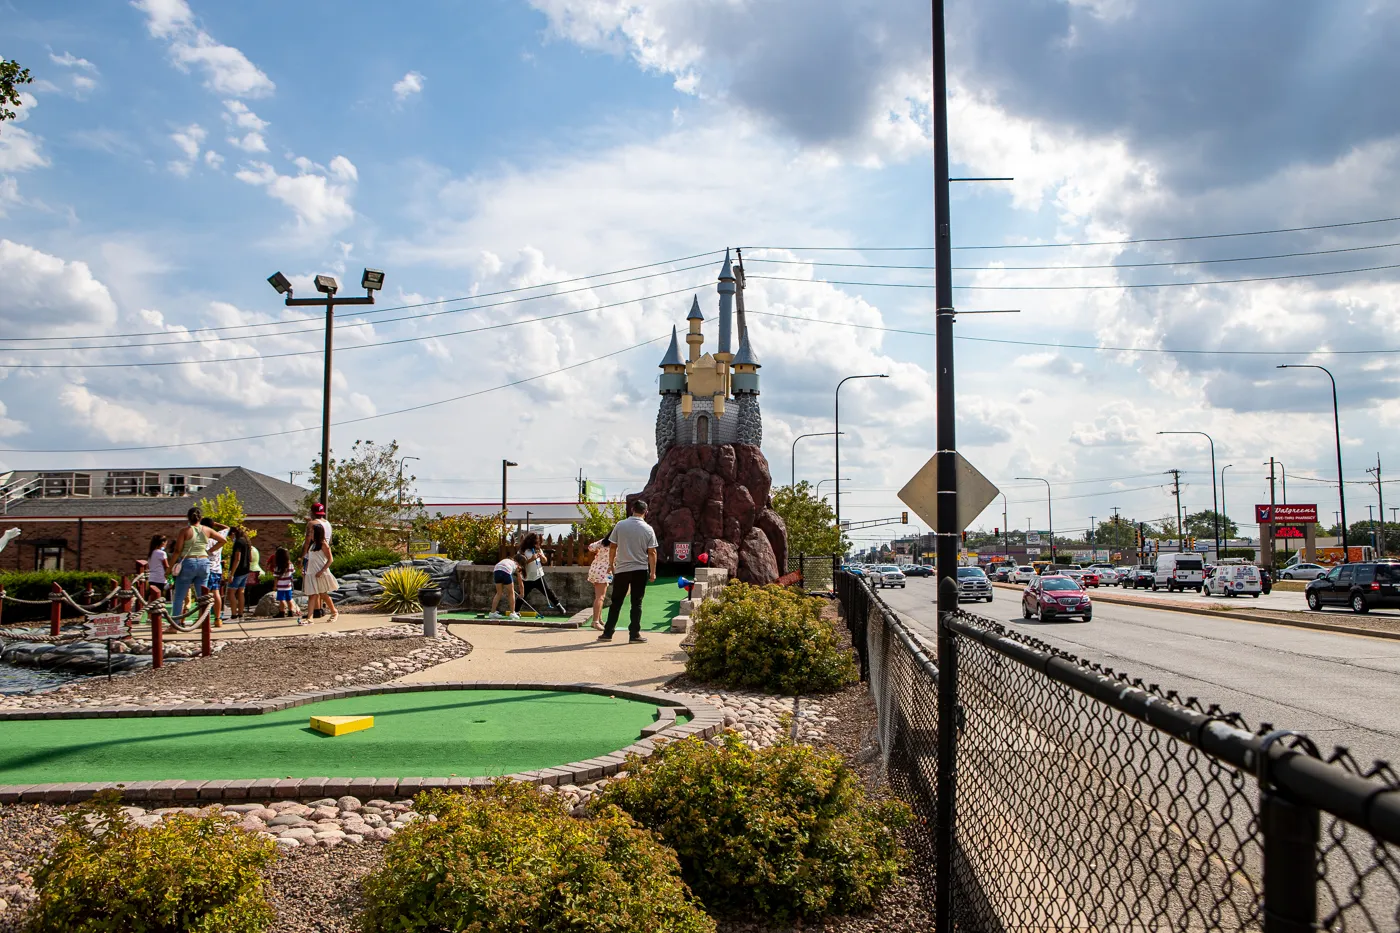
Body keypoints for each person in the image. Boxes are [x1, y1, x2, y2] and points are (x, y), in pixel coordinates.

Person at [600, 499, 657, 644]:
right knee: (636, 603)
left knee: (616, 602)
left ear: (632, 509)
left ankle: (607, 633)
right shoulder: (648, 529)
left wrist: (611, 564)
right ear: (646, 512)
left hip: (622, 569)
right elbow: (652, 552)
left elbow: (613, 547)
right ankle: (634, 634)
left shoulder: (620, 525)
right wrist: (652, 572)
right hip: (640, 569)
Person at [168, 507, 226, 630]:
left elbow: (177, 550)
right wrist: (210, 550)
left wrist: (169, 568)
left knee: (179, 596)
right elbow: (223, 540)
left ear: (188, 518)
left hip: (188, 561)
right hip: (204, 562)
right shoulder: (207, 530)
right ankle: (205, 624)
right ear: (200, 518)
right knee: (203, 596)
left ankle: (175, 625)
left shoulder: (184, 531)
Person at [303, 521, 339, 623]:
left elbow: (330, 559)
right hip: (311, 572)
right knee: (312, 595)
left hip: (320, 573)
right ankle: (309, 618)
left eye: (312, 532)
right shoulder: (312, 545)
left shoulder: (323, 544)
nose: (310, 534)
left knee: (323, 594)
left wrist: (322, 571)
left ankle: (334, 612)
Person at [518, 532, 562, 613]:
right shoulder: (523, 551)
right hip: (527, 577)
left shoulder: (538, 549)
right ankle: (516, 611)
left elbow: (545, 561)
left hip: (538, 576)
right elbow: (520, 563)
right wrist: (531, 559)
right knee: (522, 594)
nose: (536, 543)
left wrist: (542, 557)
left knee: (548, 591)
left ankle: (559, 605)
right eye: (535, 541)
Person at [302, 502, 333, 617]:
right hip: (322, 554)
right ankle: (319, 610)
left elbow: (307, 542)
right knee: (319, 584)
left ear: (312, 512)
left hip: (313, 554)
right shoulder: (327, 523)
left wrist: (302, 556)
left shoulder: (312, 523)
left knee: (312, 584)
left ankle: (316, 610)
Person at [201, 517, 229, 626]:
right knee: (216, 593)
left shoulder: (205, 538)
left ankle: (203, 619)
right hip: (217, 568)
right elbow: (227, 528)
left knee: (204, 594)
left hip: (207, 568)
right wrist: (215, 523)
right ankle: (218, 618)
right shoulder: (219, 536)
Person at [225, 527, 253, 621]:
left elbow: (237, 558)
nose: (230, 538)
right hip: (246, 570)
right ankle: (240, 614)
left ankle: (233, 615)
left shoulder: (238, 543)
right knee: (241, 592)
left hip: (238, 571)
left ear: (233, 533)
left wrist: (231, 573)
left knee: (231, 592)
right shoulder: (247, 542)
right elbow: (251, 558)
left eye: (230, 536)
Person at [586, 533, 612, 630]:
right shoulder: (617, 544)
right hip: (604, 571)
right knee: (600, 597)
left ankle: (599, 619)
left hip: (595, 569)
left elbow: (590, 547)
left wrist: (597, 551)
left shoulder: (603, 541)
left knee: (600, 596)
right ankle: (595, 621)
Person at [488, 555, 523, 620]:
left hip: (496, 571)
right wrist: (522, 592)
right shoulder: (517, 565)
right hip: (505, 571)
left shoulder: (507, 560)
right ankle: (512, 613)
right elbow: (520, 581)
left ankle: (492, 613)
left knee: (499, 593)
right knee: (511, 592)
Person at [271, 547, 301, 620]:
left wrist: (275, 586)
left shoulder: (278, 567)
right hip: (288, 585)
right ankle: (290, 612)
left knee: (281, 600)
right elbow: (292, 573)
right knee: (289, 599)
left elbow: (276, 578)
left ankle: (282, 612)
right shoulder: (290, 565)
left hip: (280, 586)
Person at [146, 534, 169, 603]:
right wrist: (171, 578)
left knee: (152, 596)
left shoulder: (151, 553)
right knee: (160, 596)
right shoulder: (162, 553)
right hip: (160, 577)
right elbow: (166, 566)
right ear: (162, 543)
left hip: (152, 577)